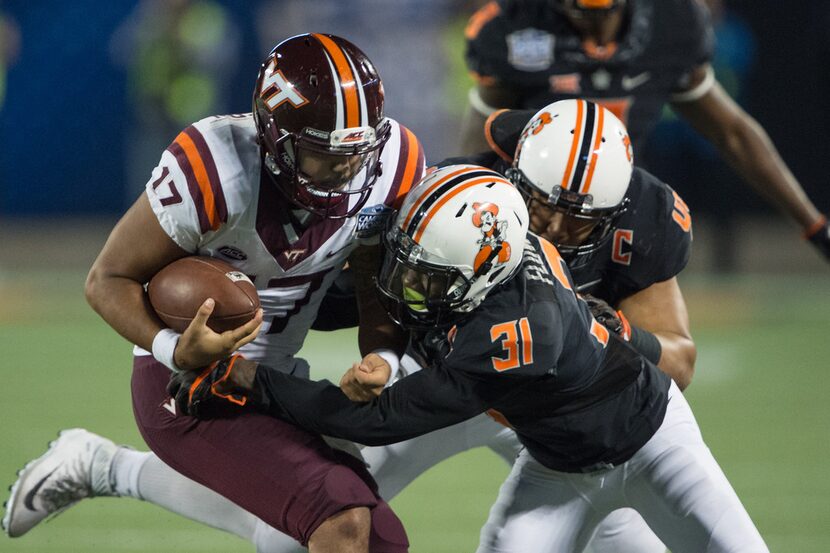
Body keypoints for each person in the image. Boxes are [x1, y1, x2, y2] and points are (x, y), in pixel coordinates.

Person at [167, 164, 770, 553]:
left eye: (427, 276)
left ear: (480, 277)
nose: (406, 281)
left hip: (654, 446)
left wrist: (249, 376)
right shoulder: (480, 241)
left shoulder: (515, 332)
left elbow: (370, 419)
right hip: (556, 464)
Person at [3, 33, 426, 553]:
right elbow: (106, 279)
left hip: (277, 380)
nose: (346, 170)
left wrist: (381, 354)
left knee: (379, 542)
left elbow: (372, 279)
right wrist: (173, 348)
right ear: (277, 138)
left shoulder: (393, 163)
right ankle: (106, 466)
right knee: (339, 520)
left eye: (357, 152)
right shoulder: (215, 167)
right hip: (187, 384)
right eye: (323, 153)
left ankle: (102, 466)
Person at [310, 99, 695, 553]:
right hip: (440, 378)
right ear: (513, 173)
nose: (552, 225)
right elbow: (372, 290)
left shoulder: (645, 216)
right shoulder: (462, 191)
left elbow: (679, 363)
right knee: (314, 518)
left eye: (577, 219)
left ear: (613, 212)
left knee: (629, 546)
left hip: (547, 410)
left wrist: (621, 331)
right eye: (540, 203)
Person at [459, 0, 830, 261]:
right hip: (533, 222)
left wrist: (814, 225)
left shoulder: (673, 23)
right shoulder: (510, 26)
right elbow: (478, 151)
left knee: (666, 356)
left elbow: (733, 133)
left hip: (618, 217)